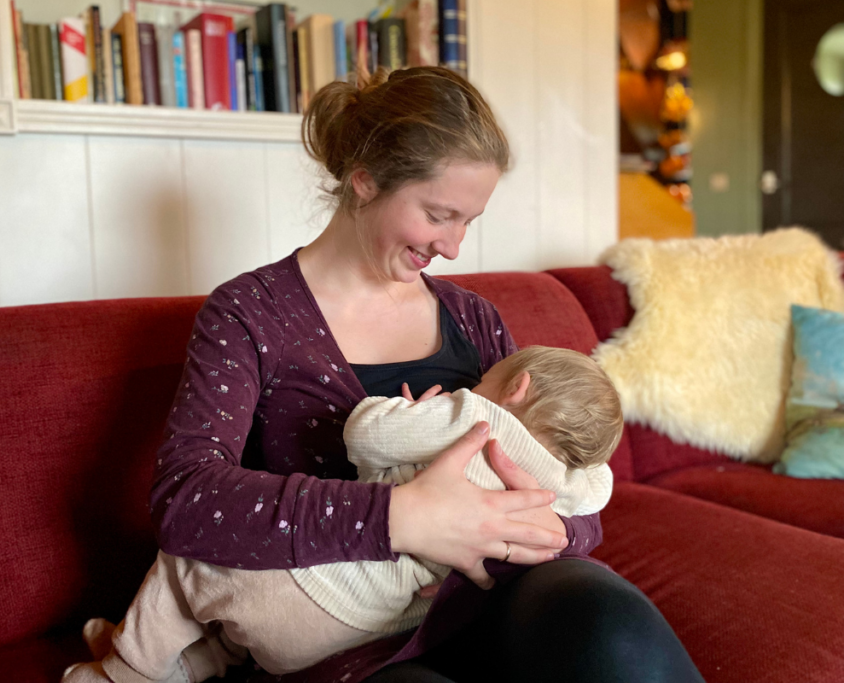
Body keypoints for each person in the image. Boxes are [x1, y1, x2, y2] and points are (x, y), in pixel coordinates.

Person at [69, 65, 704, 683]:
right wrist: (402, 515)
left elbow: (573, 488)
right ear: (366, 181)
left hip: (490, 600)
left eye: (468, 222)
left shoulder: (473, 318)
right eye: (438, 215)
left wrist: (541, 529)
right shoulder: (249, 314)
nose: (453, 247)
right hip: (342, 628)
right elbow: (186, 500)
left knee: (609, 624)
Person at [63, 347, 623, 682]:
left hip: (319, 598)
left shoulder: (474, 415)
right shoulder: (571, 484)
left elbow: (364, 434)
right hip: (381, 628)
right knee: (247, 606)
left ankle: (126, 671)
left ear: (515, 388)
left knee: (190, 561)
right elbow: (600, 488)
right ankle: (191, 666)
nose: (469, 388)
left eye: (482, 380)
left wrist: (417, 413)